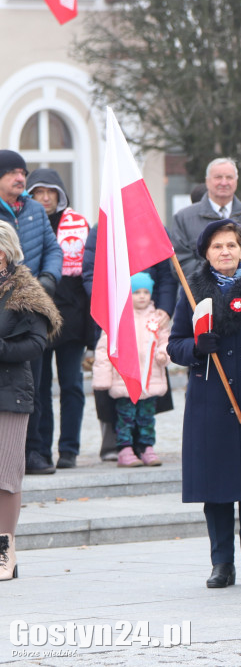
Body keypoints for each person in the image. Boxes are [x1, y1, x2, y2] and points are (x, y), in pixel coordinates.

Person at [168, 219, 241, 589]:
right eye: (217, 246)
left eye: (231, 245)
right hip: (210, 401)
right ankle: (221, 563)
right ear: (206, 252)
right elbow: (175, 344)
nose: (225, 252)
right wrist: (195, 348)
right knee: (216, 488)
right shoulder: (191, 291)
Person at [0, 220, 61, 581]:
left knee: (5, 476)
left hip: (10, 394)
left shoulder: (25, 292)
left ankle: (5, 550)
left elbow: (35, 345)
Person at [82, 229, 177, 462]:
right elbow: (91, 275)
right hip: (112, 313)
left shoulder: (150, 227)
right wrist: (110, 308)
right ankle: (117, 445)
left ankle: (144, 446)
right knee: (120, 403)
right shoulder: (102, 229)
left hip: (150, 342)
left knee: (146, 406)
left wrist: (164, 308)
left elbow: (166, 275)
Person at [0, 150, 63, 476]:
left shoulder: (35, 210)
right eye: (11, 172)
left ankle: (36, 451)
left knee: (35, 384)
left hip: (29, 305)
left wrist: (48, 280)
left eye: (22, 171)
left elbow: (53, 249)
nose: (20, 177)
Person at [25, 168, 89, 470]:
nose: (46, 197)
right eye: (39, 191)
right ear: (31, 195)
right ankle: (41, 450)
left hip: (73, 317)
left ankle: (69, 450)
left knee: (72, 385)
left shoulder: (79, 225)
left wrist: (92, 328)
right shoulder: (27, 223)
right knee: (39, 386)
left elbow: (89, 277)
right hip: (37, 317)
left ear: (61, 195)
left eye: (51, 191)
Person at [92, 273, 169, 468]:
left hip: (150, 379)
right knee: (125, 417)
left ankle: (146, 447)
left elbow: (166, 342)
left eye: (145, 292)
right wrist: (103, 379)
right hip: (124, 379)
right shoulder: (117, 319)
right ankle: (125, 449)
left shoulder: (157, 318)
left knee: (146, 417)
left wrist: (164, 355)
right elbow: (104, 348)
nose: (142, 296)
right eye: (136, 292)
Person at [169, 157, 241, 278]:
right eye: (218, 177)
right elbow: (180, 262)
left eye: (229, 177)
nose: (224, 182)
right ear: (207, 181)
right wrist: (216, 277)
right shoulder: (184, 218)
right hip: (199, 295)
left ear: (236, 181)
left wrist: (237, 275)